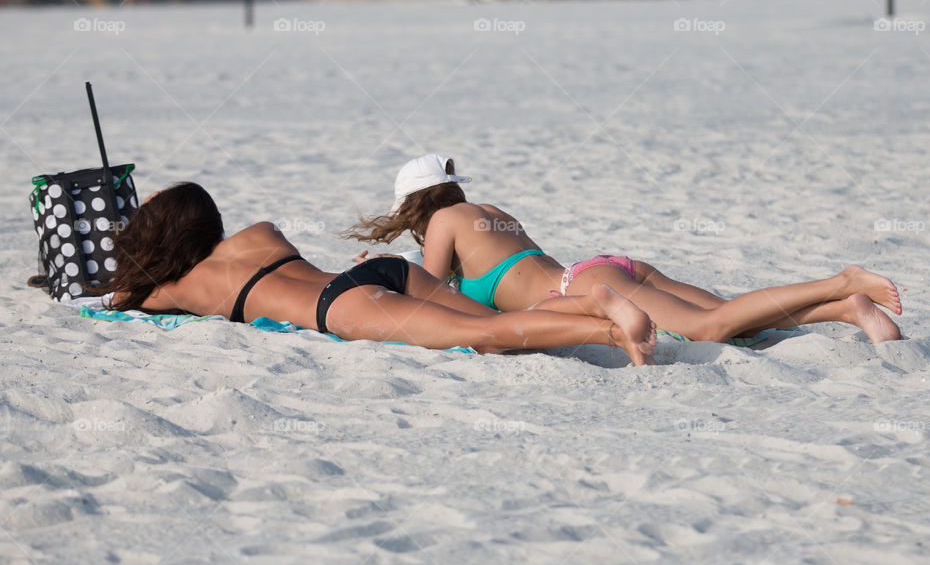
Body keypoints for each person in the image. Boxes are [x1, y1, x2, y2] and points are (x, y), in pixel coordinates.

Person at [346, 155, 903, 345]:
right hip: (607, 268)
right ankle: (845, 309)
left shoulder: (443, 220)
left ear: (414, 205)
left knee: (711, 328)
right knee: (737, 325)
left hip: (587, 289)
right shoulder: (488, 211)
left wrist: (386, 272)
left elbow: (432, 294)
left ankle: (841, 282)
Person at [98, 183, 658, 364]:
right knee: (499, 320)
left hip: (343, 308)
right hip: (386, 274)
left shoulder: (177, 288)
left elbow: (123, 294)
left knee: (483, 337)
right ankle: (596, 301)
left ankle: (608, 327)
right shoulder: (261, 233)